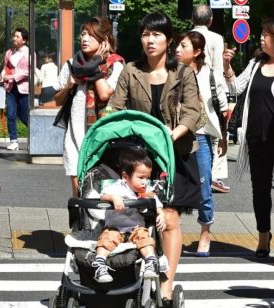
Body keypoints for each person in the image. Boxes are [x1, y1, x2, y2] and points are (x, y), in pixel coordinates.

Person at [107, 13, 202, 306]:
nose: (150, 40)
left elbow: (192, 111)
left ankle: (167, 284)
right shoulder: (130, 71)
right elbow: (116, 107)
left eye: (157, 35)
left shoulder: (183, 72)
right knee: (139, 217)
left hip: (177, 154)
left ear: (168, 40)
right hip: (140, 158)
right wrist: (106, 121)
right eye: (146, 34)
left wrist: (172, 135)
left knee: (170, 219)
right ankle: (139, 268)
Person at [223, 17, 274, 266]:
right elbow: (236, 87)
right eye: (262, 33)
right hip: (256, 137)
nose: (261, 37)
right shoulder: (256, 63)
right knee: (259, 189)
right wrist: (227, 67)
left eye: (267, 34)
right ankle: (262, 236)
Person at [54, 17, 125, 198]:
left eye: (91, 35)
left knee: (100, 181)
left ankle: (99, 223)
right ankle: (80, 221)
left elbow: (104, 94)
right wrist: (69, 85)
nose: (84, 39)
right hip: (74, 131)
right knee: (76, 179)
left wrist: (95, 64)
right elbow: (57, 99)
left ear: (105, 40)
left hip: (102, 132)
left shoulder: (114, 64)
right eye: (83, 34)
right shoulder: (72, 64)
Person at [176, 31, 229, 257]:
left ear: (197, 52)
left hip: (201, 135)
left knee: (204, 185)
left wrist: (224, 137)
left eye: (183, 46)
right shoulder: (173, 72)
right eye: (177, 45)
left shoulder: (211, 75)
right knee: (173, 184)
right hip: (177, 134)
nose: (178, 49)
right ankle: (172, 231)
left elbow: (223, 108)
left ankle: (205, 233)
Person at [93, 148, 165, 283]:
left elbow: (157, 204)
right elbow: (103, 196)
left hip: (135, 228)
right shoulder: (117, 187)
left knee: (145, 238)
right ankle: (100, 264)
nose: (145, 182)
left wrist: (161, 214)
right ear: (125, 177)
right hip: (115, 227)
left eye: (147, 178)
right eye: (141, 177)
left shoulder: (147, 190)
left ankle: (150, 262)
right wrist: (114, 198)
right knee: (107, 239)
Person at [191, 4, 231, 194]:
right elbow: (218, 69)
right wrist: (223, 96)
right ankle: (212, 175)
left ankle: (195, 174)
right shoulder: (216, 38)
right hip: (212, 89)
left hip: (189, 85)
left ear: (192, 19)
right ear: (210, 20)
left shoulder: (185, 37)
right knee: (216, 134)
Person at [1, 28, 30, 151]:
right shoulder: (9, 52)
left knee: (24, 116)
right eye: (14, 36)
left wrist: (11, 77)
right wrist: (2, 75)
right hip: (10, 88)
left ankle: (35, 135)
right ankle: (14, 141)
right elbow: (5, 67)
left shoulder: (29, 53)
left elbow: (28, 72)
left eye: (17, 36)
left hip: (23, 88)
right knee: (11, 114)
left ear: (24, 40)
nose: (14, 38)